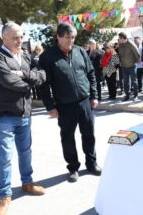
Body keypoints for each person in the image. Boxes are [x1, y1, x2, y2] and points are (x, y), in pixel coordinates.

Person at [0, 22, 46, 215]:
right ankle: (5, 195)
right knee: (4, 157)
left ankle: (27, 183)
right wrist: (30, 83)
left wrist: (24, 74)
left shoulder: (26, 56)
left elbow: (42, 75)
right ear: (4, 38)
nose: (20, 41)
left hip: (24, 114)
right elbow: (8, 80)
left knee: (26, 151)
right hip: (2, 116)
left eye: (21, 37)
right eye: (15, 38)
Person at [39, 22, 102, 183]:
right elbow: (43, 85)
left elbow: (91, 74)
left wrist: (94, 95)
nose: (71, 41)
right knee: (67, 137)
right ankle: (73, 167)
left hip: (85, 102)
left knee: (88, 134)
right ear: (58, 37)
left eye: (73, 37)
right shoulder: (47, 57)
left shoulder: (80, 51)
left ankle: (91, 163)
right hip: (64, 106)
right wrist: (50, 107)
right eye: (67, 37)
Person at [117, 32, 139, 101]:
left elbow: (137, 54)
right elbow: (119, 55)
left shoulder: (131, 44)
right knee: (125, 82)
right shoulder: (120, 45)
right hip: (123, 66)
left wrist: (135, 62)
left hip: (132, 66)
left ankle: (136, 95)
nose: (118, 39)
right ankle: (127, 95)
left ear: (123, 38)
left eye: (119, 38)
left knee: (134, 81)